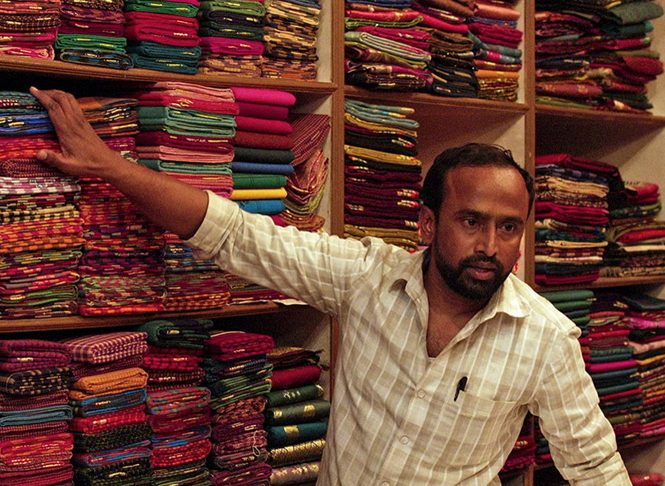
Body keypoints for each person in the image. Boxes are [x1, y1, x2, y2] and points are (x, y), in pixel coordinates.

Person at [30, 87, 631, 485]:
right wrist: (111, 166)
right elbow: (237, 236)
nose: (490, 246)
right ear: (426, 223)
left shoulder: (546, 339)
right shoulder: (367, 279)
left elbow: (594, 464)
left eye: (508, 228)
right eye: (471, 221)